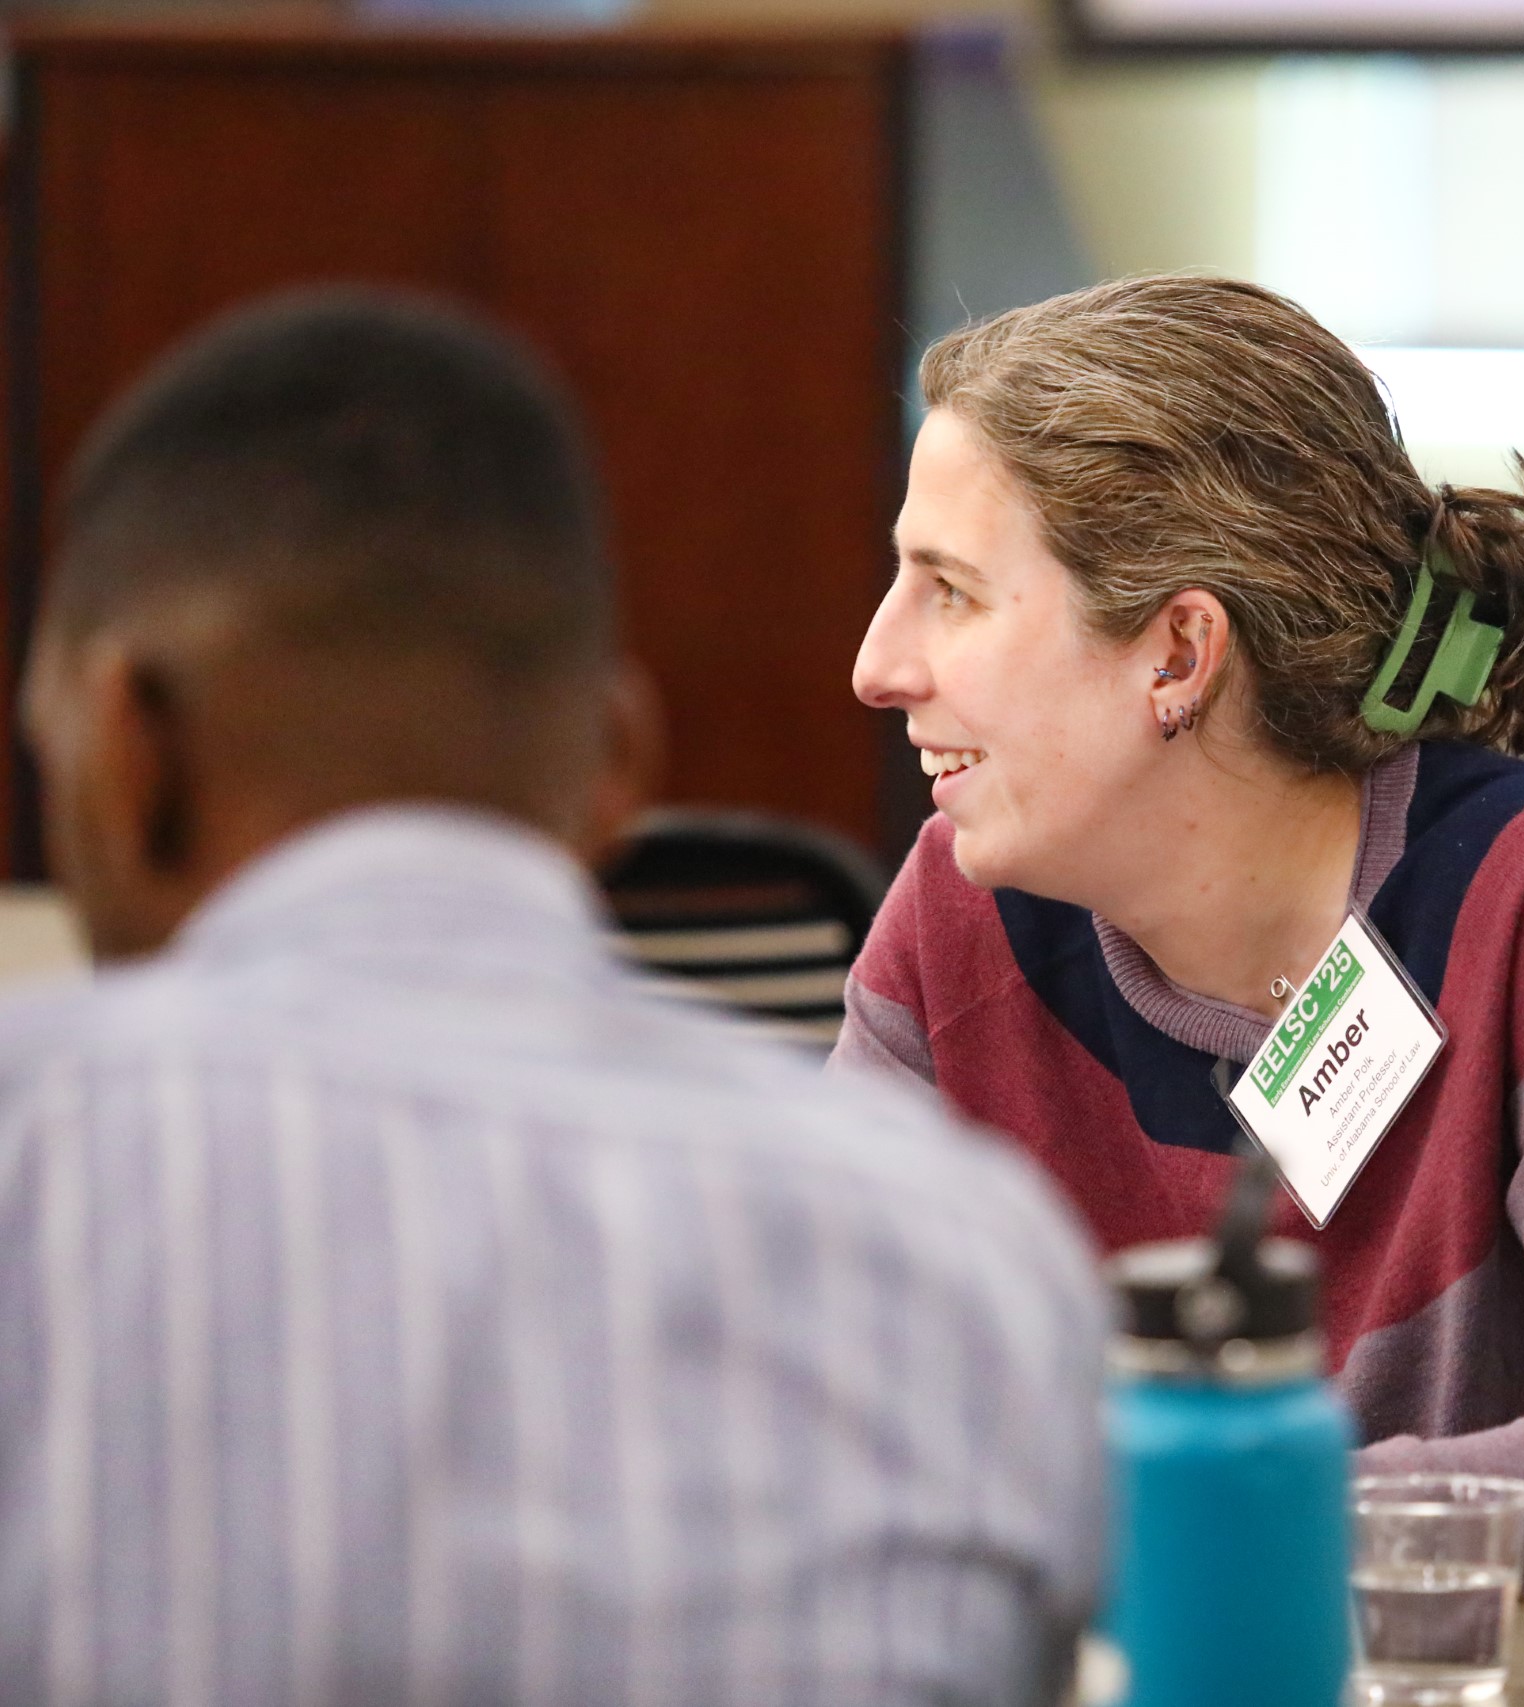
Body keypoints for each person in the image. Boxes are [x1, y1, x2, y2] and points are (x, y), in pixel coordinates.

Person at [0, 289, 1105, 1706]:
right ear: (617, 763)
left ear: (122, 752)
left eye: (947, 587)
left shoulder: (32, 1156)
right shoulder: (982, 1269)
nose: (878, 667)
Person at [835, 274, 1524, 1594]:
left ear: (1178, 654)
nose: (876, 664)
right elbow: (817, 1403)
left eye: (948, 592)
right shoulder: (959, 911)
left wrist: (1229, 1513)